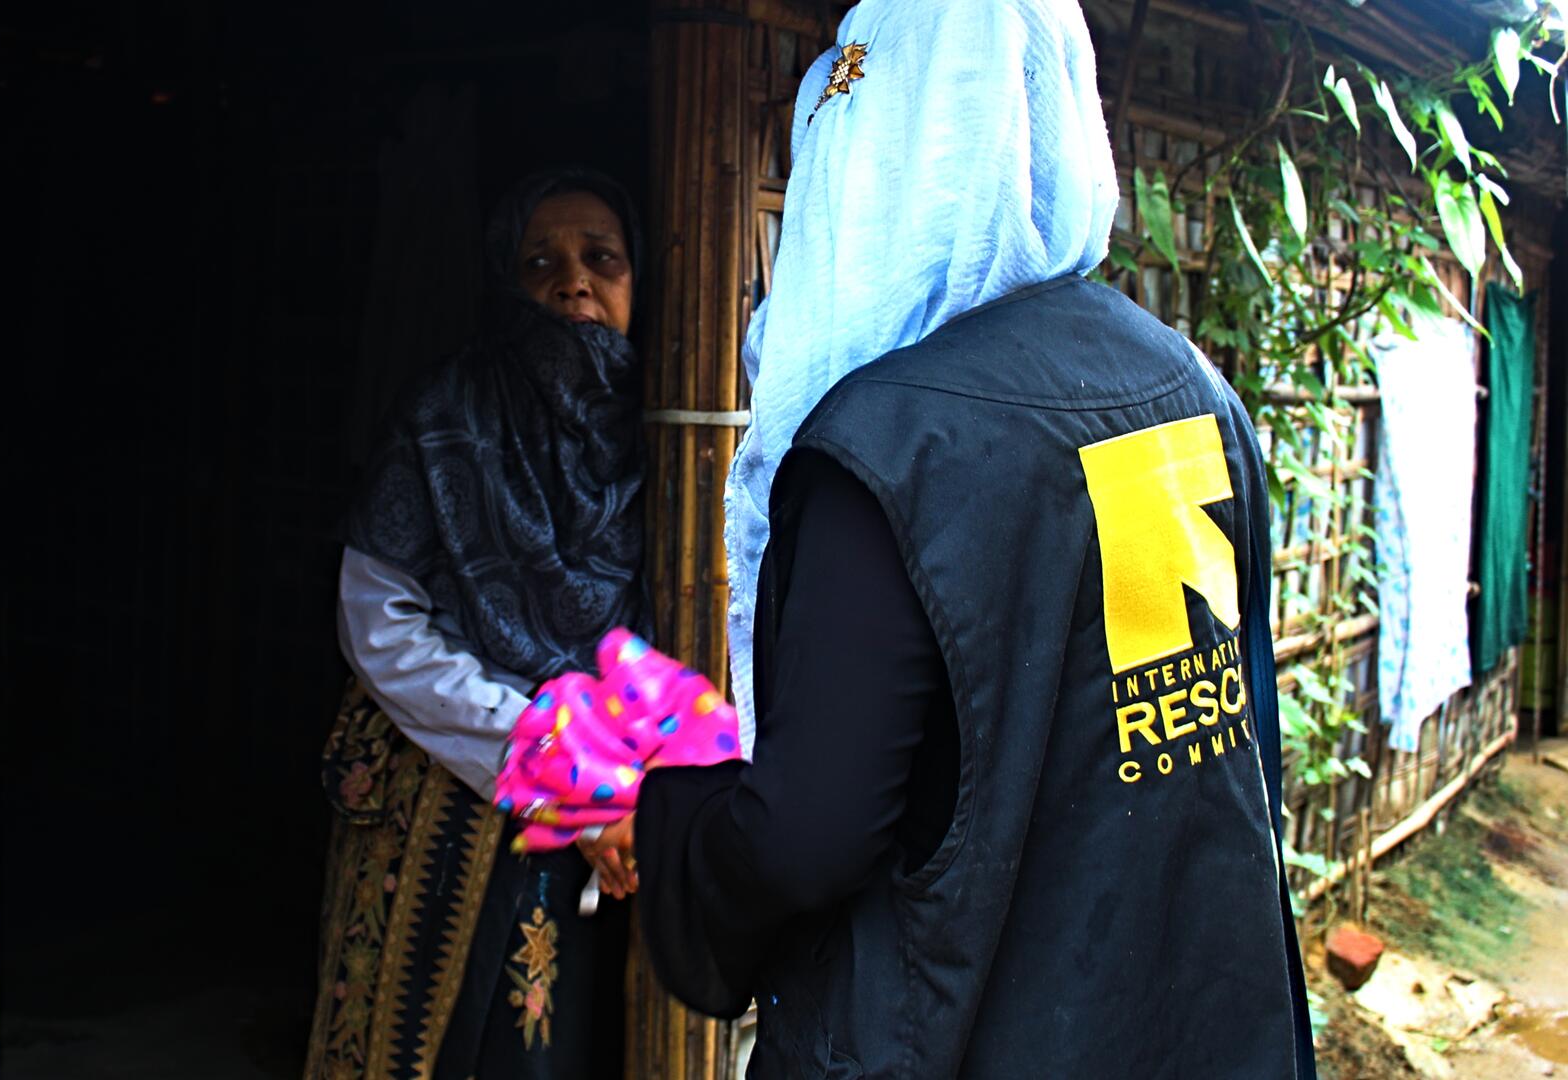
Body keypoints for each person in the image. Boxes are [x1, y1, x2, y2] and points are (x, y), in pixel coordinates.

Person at [598, 3, 1318, 1077]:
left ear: (875, 161)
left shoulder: (889, 445)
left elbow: (809, 837)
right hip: (1190, 1018)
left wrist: (669, 822)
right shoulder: (1192, 391)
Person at [305, 168, 648, 1079]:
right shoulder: (446, 414)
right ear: (505, 280)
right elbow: (378, 621)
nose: (573, 281)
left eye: (600, 258)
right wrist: (557, 766)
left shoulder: (669, 429)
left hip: (623, 808)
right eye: (541, 262)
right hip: (443, 796)